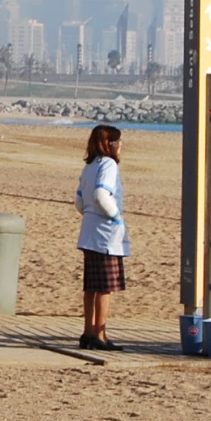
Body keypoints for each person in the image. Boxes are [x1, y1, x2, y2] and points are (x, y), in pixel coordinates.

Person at [76, 123, 128, 352]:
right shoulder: (108, 164)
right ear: (110, 145)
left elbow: (79, 200)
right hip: (105, 233)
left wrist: (88, 213)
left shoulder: (89, 166)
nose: (121, 147)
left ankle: (88, 331)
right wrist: (116, 215)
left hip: (88, 230)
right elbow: (101, 193)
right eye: (118, 143)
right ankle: (100, 333)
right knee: (105, 287)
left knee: (91, 286)